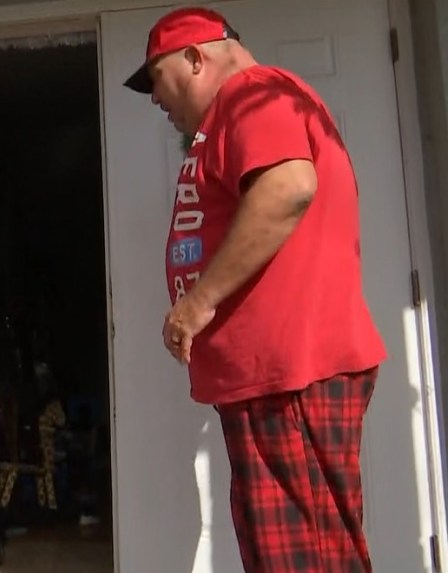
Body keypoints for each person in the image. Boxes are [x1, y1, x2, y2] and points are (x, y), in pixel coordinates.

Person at [124, 7, 385, 572]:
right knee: (287, 553)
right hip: (270, 378)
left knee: (307, 556)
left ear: (196, 57)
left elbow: (289, 187)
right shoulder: (235, 111)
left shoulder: (251, 92)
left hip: (290, 372)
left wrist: (197, 304)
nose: (153, 98)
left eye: (156, 78)